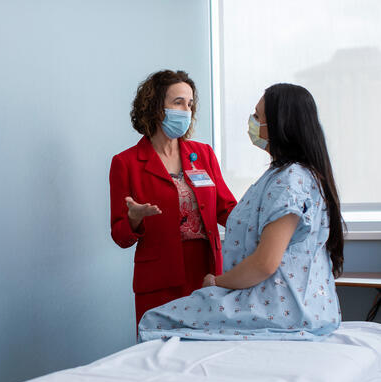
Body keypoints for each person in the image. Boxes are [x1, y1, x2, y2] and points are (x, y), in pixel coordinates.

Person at [139, 83, 345, 342]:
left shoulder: (290, 179)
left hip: (276, 305)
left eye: (258, 117)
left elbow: (265, 263)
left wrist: (218, 282)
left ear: (281, 125)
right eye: (178, 102)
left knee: (155, 321)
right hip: (286, 301)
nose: (252, 122)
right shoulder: (284, 175)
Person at [109, 70, 237, 329]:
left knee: (208, 352)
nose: (186, 110)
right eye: (178, 102)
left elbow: (227, 208)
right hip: (159, 279)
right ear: (156, 106)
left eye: (190, 104)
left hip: (207, 273)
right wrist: (133, 219)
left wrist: (265, 220)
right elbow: (120, 236)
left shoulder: (203, 154)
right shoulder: (126, 163)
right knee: (159, 355)